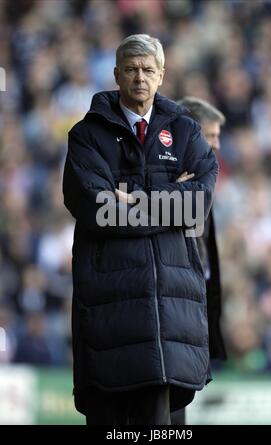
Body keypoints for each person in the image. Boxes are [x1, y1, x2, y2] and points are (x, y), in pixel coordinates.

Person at [63, 35, 219, 425]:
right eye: (131, 69)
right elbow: (99, 210)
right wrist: (171, 198)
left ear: (162, 76)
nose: (140, 78)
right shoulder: (86, 135)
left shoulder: (185, 131)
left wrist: (133, 199)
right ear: (116, 74)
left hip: (167, 322)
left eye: (148, 70)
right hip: (108, 316)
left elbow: (198, 202)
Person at [171, 97, 227, 425]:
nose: (218, 144)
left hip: (190, 311)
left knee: (178, 406)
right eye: (212, 135)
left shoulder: (201, 181)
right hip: (172, 310)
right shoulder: (171, 183)